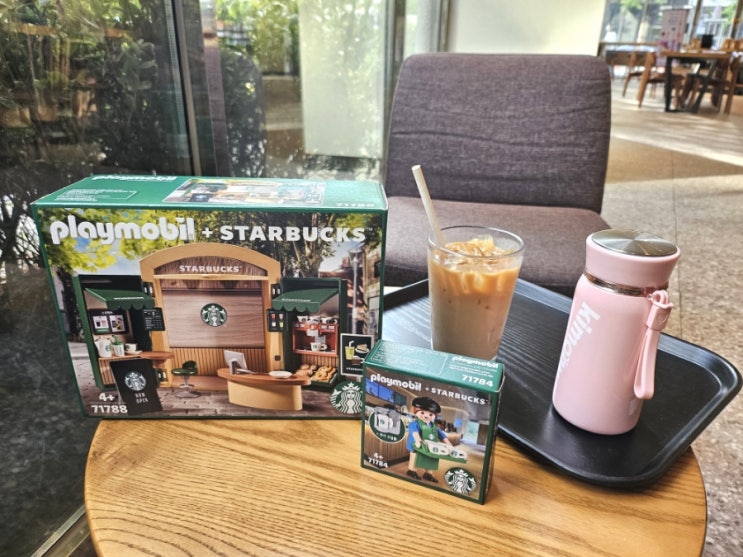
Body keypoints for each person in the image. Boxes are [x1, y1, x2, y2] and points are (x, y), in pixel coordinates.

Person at [406, 396, 452, 483]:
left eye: (430, 414)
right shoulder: (414, 424)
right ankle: (412, 470)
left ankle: (428, 473)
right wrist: (418, 440)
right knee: (415, 458)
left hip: (430, 447)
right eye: (422, 413)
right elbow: (414, 432)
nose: (426, 416)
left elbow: (442, 436)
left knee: (431, 458)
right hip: (416, 445)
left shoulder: (434, 427)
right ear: (416, 412)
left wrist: (449, 445)